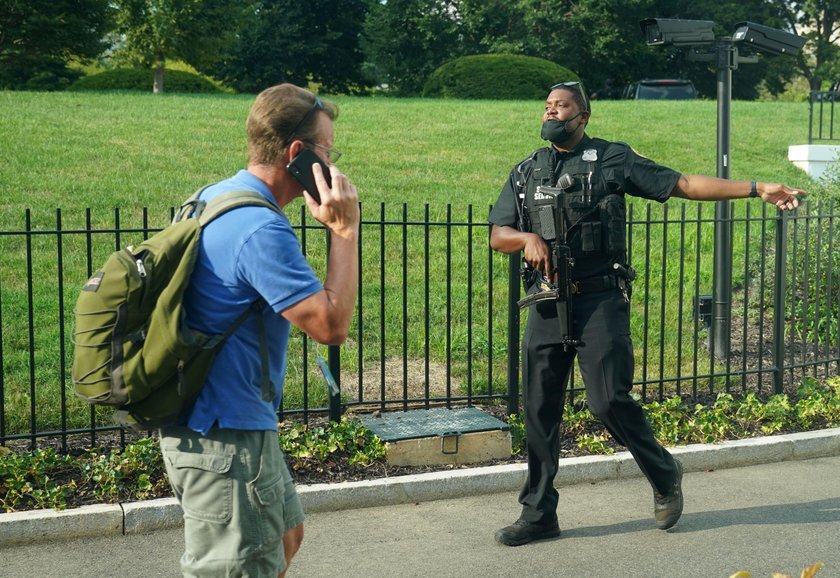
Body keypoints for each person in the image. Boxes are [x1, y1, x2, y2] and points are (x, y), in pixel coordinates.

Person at [488, 81, 805, 547]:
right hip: (548, 302)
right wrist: (525, 239)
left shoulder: (613, 159)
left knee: (608, 401)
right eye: (548, 105)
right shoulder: (526, 171)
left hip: (599, 300)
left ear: (583, 116)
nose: (552, 111)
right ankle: (538, 514)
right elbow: (499, 233)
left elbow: (684, 185)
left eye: (562, 105)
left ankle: (664, 471)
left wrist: (757, 188)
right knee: (538, 411)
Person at [159, 83, 360, 576]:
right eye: (328, 151)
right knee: (243, 567)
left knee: (285, 538)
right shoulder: (258, 227)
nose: (334, 165)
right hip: (223, 437)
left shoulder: (212, 197)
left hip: (226, 422)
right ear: (297, 154)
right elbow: (331, 325)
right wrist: (345, 230)